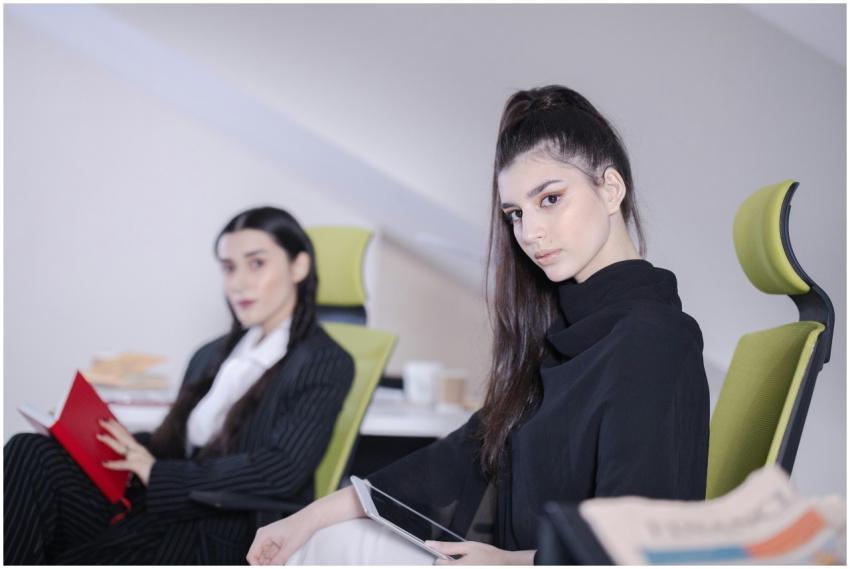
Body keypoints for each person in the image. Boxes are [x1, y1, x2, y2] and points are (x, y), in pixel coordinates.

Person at [247, 85, 710, 565]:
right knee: (322, 539)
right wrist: (312, 515)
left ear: (611, 189)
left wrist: (511, 562)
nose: (529, 233)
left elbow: (644, 545)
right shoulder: (563, 333)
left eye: (550, 199)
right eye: (515, 214)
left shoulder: (653, 339)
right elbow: (464, 453)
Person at [4, 206, 355, 564]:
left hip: (223, 525)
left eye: (256, 263)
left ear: (299, 266)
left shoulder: (323, 360)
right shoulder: (211, 354)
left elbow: (280, 470)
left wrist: (156, 473)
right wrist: (104, 444)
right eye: (229, 267)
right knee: (30, 453)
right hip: (165, 503)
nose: (237, 283)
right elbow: (178, 447)